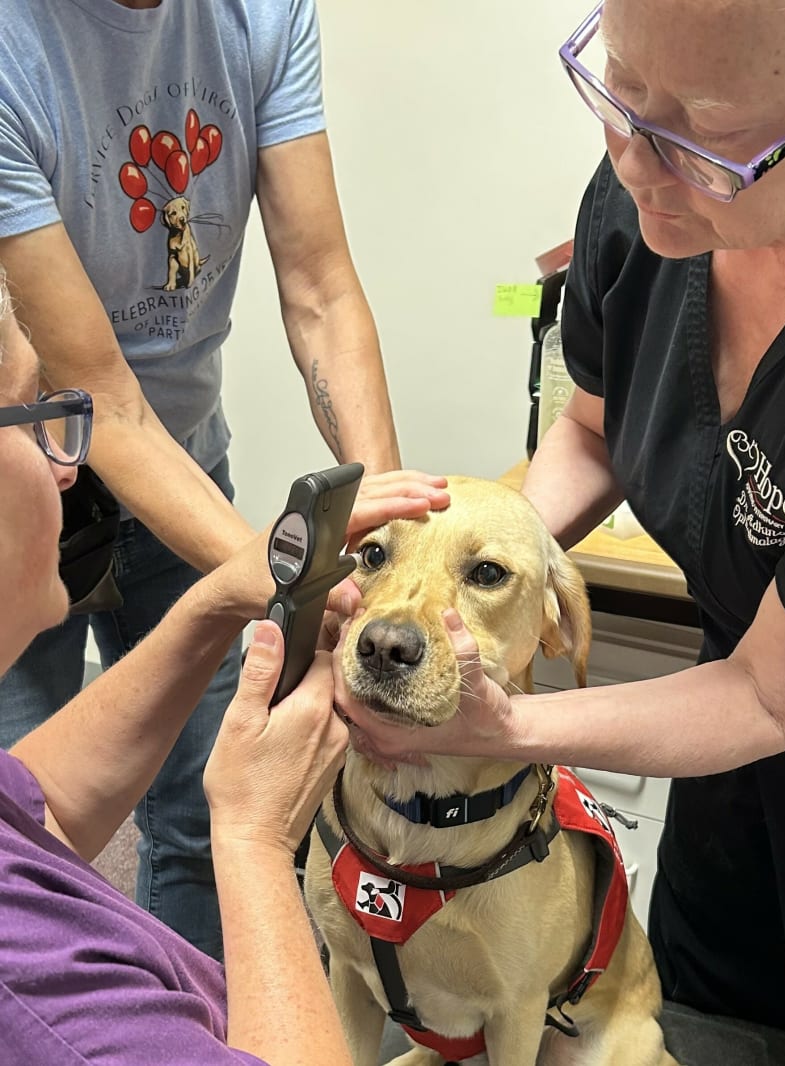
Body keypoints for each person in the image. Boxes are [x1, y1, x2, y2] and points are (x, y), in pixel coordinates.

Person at [333, 0, 785, 1046]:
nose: (633, 161)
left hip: (770, 695)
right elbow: (590, 432)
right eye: (620, 89)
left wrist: (501, 727)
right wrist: (464, 569)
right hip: (729, 728)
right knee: (696, 1010)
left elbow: (774, 695)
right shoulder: (643, 216)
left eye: (700, 133)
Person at [0, 0, 401, 958]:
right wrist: (298, 577)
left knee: (214, 807)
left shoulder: (263, 11)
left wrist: (384, 540)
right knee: (27, 837)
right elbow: (103, 399)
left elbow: (320, 286)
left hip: (186, 457)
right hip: (31, 477)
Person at [0, 281, 449, 1064]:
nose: (67, 467)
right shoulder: (46, 999)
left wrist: (209, 605)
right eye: (31, 416)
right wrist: (255, 839)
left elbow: (38, 815)